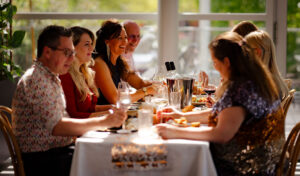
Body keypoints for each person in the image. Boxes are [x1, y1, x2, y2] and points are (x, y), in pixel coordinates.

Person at [156, 32, 284, 175]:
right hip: (259, 161)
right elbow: (221, 113)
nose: (215, 67)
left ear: (227, 62)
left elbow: (222, 134)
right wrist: (180, 115)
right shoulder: (251, 80)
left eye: (215, 62)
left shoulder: (241, 88)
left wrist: (173, 132)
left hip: (246, 168)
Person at [12, 25, 127, 176]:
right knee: (113, 160)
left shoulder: (49, 76)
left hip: (56, 153)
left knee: (116, 157)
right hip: (43, 161)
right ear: (47, 52)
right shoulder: (37, 79)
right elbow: (57, 126)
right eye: (67, 53)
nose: (72, 58)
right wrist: (104, 121)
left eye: (72, 53)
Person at [93, 19, 157, 105]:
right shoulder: (99, 63)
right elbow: (115, 99)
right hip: (102, 115)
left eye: (125, 38)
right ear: (107, 42)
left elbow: (139, 83)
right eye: (119, 38)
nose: (124, 42)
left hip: (116, 114)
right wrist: (146, 91)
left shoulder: (120, 61)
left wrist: (159, 85)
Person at [59, 26, 112, 118]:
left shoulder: (83, 73)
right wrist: (108, 114)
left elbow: (89, 109)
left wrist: (113, 108)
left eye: (91, 44)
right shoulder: (65, 75)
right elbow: (72, 115)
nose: (92, 49)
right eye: (87, 44)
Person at [245, 30, 289, 99]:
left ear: (257, 52)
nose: (243, 54)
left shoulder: (259, 84)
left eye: (246, 50)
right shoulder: (274, 80)